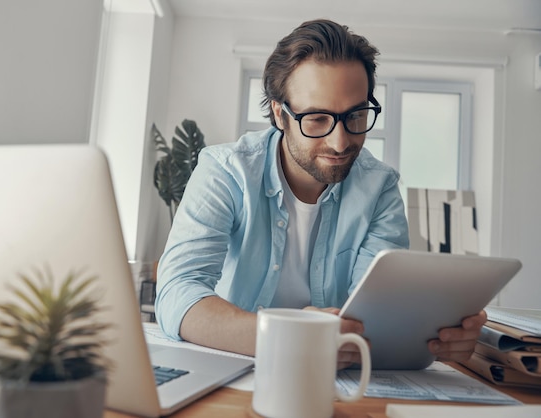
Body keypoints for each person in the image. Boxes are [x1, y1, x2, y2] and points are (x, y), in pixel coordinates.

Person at [154, 19, 486, 368]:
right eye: (316, 119)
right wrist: (290, 336)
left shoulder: (380, 188)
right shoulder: (225, 171)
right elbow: (178, 294)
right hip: (232, 371)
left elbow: (376, 316)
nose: (340, 142)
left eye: (356, 115)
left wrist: (439, 339)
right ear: (281, 114)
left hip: (335, 382)